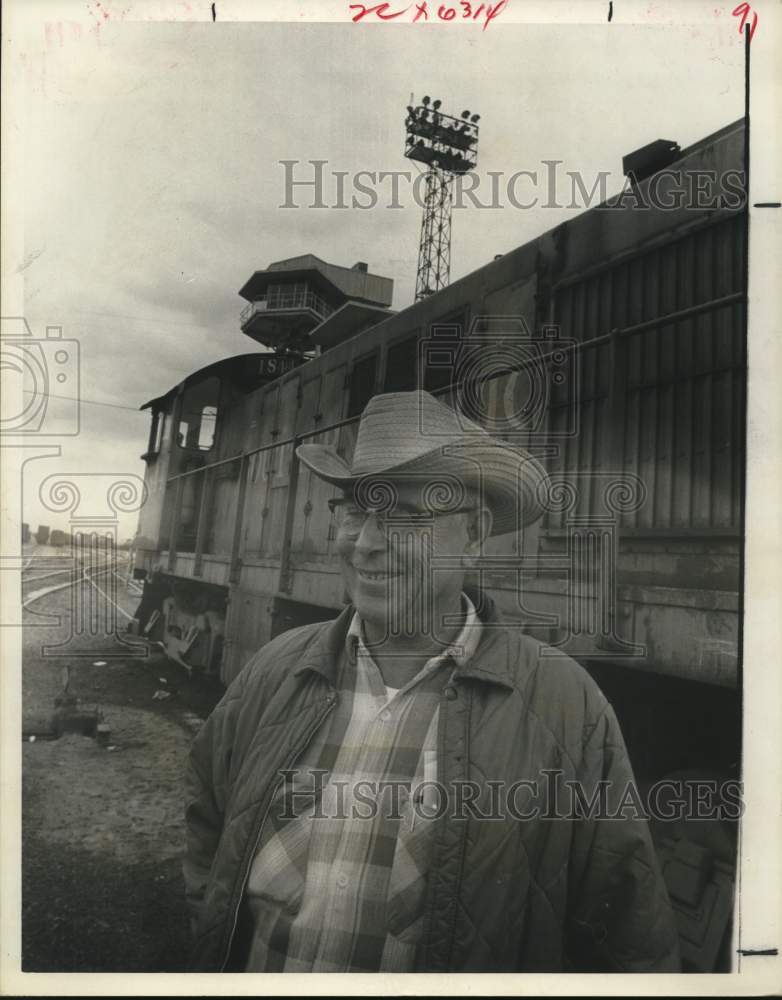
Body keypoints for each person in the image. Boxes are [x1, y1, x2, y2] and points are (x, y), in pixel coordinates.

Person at [183, 390, 680, 973]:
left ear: (471, 535)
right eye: (354, 511)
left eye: (404, 515)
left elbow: (628, 934)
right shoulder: (271, 673)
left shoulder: (568, 707)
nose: (366, 542)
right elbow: (207, 835)